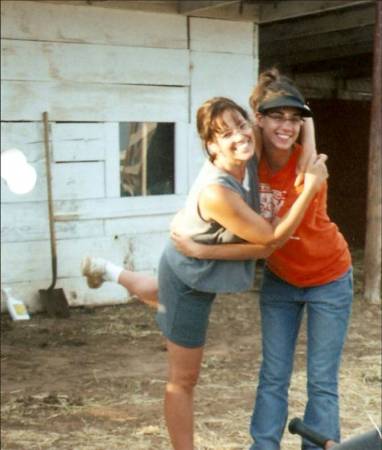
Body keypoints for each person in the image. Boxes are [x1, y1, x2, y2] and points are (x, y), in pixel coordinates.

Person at [81, 96, 328, 450]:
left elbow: (297, 141)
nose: (240, 136)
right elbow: (271, 241)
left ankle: (106, 270)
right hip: (190, 278)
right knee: (183, 378)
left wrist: (308, 114)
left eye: (242, 125)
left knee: (155, 292)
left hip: (200, 264)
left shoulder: (248, 148)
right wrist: (310, 190)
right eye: (225, 133)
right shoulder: (217, 192)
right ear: (211, 146)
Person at [171, 69, 353, 450]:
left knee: (321, 378)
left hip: (329, 277)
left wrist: (300, 111)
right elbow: (224, 142)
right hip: (281, 280)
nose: (286, 126)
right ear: (258, 119)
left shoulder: (307, 162)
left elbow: (273, 236)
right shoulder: (249, 155)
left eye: (294, 118)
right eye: (276, 116)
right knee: (273, 374)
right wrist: (193, 229)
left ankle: (318, 446)